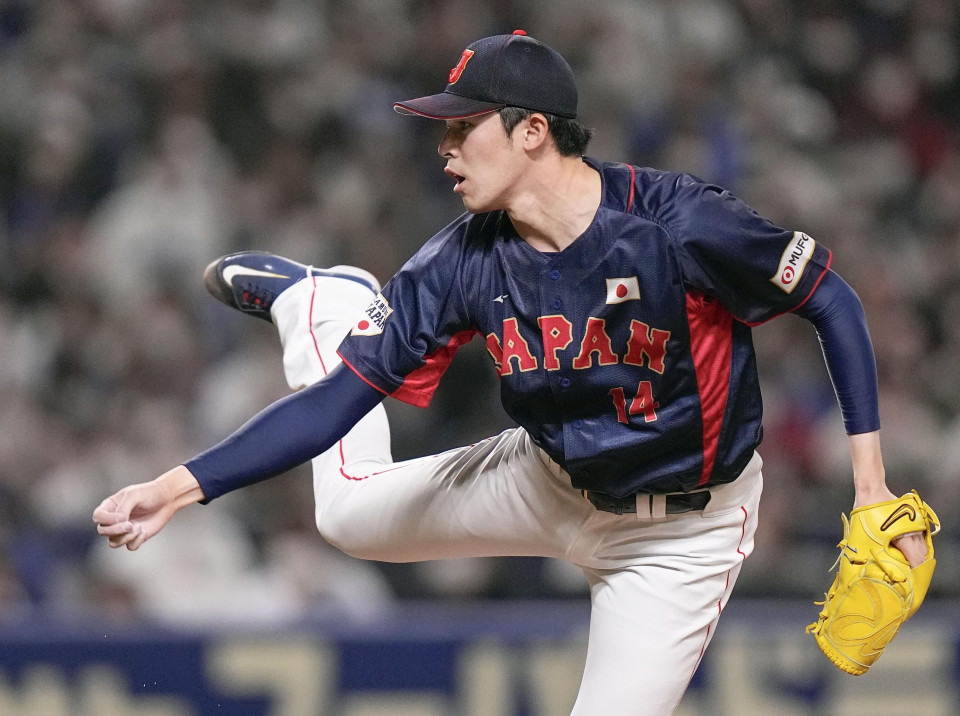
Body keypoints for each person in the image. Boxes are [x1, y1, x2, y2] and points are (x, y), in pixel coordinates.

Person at [93, 31, 928, 714]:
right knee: (345, 518)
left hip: (680, 536)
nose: (445, 148)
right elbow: (338, 406)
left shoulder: (677, 224)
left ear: (533, 130)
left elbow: (832, 299)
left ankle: (334, 305)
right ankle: (325, 306)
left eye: (464, 128)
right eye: (443, 131)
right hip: (547, 477)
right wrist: (177, 486)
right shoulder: (460, 261)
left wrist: (869, 487)